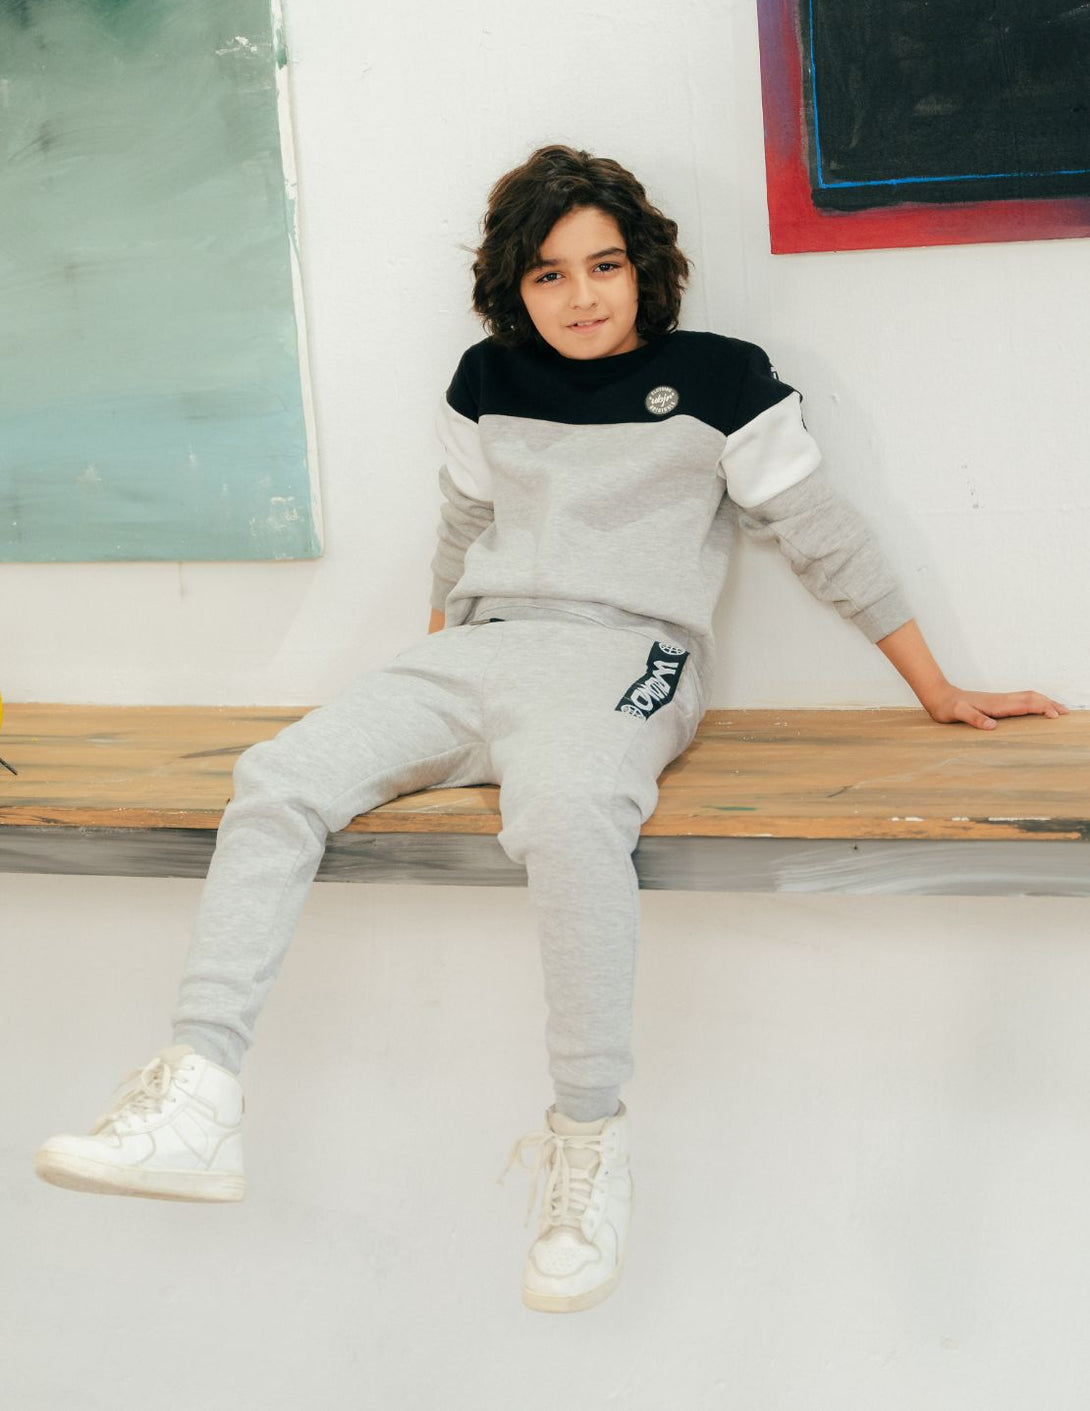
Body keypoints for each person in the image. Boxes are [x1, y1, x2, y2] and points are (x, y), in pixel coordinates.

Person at [34, 143, 1068, 1313]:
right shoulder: (486, 380)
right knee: (279, 776)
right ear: (513, 289)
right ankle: (199, 1091)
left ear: (643, 269)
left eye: (604, 266)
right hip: (476, 649)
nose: (581, 296)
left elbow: (824, 534)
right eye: (548, 275)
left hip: (629, 657)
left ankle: (587, 1140)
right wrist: (427, 665)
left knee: (570, 814)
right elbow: (459, 527)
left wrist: (935, 687)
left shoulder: (722, 380)